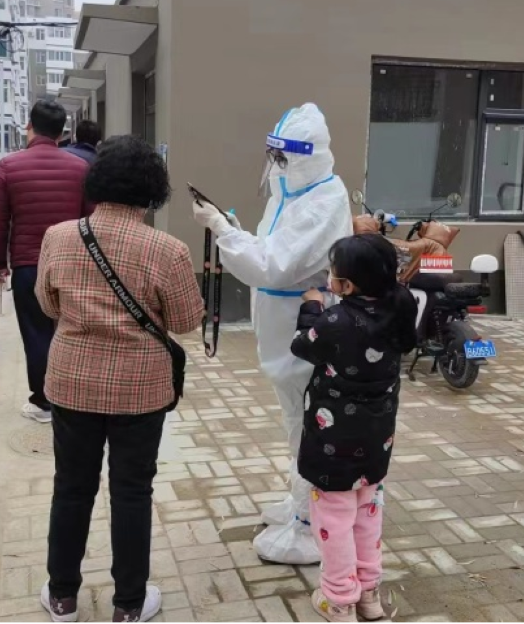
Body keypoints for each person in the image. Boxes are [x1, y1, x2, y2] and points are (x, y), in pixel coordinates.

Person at [36, 135, 203, 624]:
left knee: (71, 486)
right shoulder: (167, 249)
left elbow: (47, 303)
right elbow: (186, 320)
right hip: (140, 388)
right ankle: (129, 604)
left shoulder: (58, 237)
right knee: (132, 491)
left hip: (71, 380)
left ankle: (62, 597)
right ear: (153, 189)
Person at [192, 103, 353, 565]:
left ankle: (309, 523)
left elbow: (273, 265)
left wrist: (223, 231)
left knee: (309, 420)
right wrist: (236, 232)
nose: (277, 166)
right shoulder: (292, 192)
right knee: (294, 417)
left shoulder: (324, 200)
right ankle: (300, 499)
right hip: (281, 326)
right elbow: (269, 248)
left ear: (307, 156)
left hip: (303, 327)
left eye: (285, 158)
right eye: (274, 156)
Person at [293, 234, 417, 623]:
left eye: (333, 273)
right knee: (368, 510)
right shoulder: (401, 304)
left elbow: (302, 346)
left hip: (334, 439)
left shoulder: (335, 321)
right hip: (378, 435)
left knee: (333, 515)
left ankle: (338, 600)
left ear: (345, 285)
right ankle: (368, 595)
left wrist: (312, 307)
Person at [0, 100, 90, 424]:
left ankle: (44, 403)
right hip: (72, 264)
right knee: (72, 331)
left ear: (29, 126)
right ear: (62, 132)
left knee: (36, 333)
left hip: (29, 266)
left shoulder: (7, 167)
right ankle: (74, 396)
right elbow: (91, 220)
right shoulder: (81, 169)